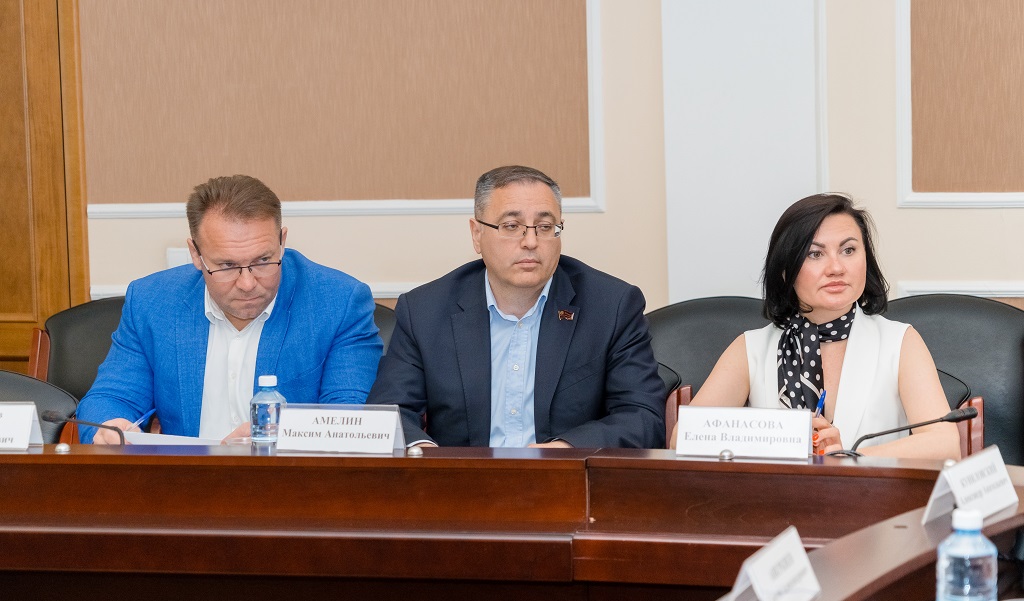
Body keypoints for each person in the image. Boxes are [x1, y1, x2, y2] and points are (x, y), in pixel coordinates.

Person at [367, 165, 665, 448]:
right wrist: (424, 455)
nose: (531, 241)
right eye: (511, 226)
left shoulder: (611, 306)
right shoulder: (425, 311)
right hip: (462, 480)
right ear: (477, 234)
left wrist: (565, 451)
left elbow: (642, 415)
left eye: (545, 226)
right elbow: (390, 413)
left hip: (567, 478)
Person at [78, 175, 383, 443]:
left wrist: (272, 442)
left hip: (293, 482)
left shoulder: (339, 303)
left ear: (282, 242)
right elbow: (111, 398)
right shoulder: (153, 302)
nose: (248, 283)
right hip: (187, 481)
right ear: (195, 254)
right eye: (226, 265)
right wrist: (111, 427)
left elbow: (349, 421)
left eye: (263, 261)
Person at [672, 193, 959, 459]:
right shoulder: (751, 348)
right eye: (815, 254)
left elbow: (945, 445)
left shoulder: (899, 341)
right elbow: (682, 439)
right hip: (776, 496)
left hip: (872, 496)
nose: (836, 268)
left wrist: (848, 458)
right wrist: (780, 441)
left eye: (848, 250)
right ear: (785, 270)